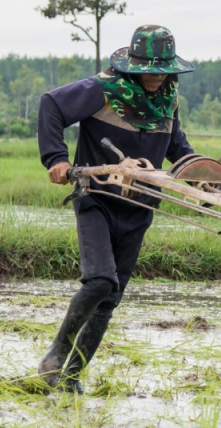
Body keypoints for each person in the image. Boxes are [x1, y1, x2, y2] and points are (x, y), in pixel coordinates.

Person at [36, 24, 196, 393]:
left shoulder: (167, 100)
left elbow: (177, 147)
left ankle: (71, 377)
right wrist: (57, 159)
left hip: (140, 206)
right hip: (97, 198)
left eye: (162, 69)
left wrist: (198, 169)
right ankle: (56, 355)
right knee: (100, 281)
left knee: (112, 297)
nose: (156, 76)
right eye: (149, 68)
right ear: (133, 64)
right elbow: (51, 105)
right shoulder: (103, 89)